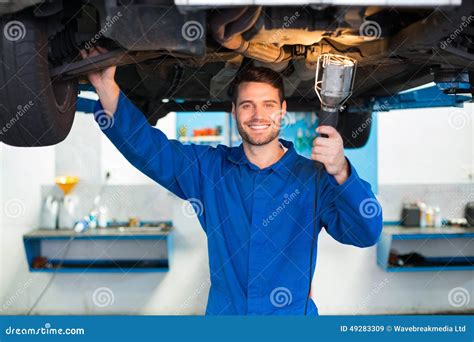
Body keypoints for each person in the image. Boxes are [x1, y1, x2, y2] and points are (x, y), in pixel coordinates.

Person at [81, 47, 383, 315]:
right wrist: (105, 86)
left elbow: (366, 232)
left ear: (282, 112)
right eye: (247, 105)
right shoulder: (209, 169)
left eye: (268, 105)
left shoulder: (313, 178)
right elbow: (150, 149)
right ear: (234, 111)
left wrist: (342, 170)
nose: (257, 114)